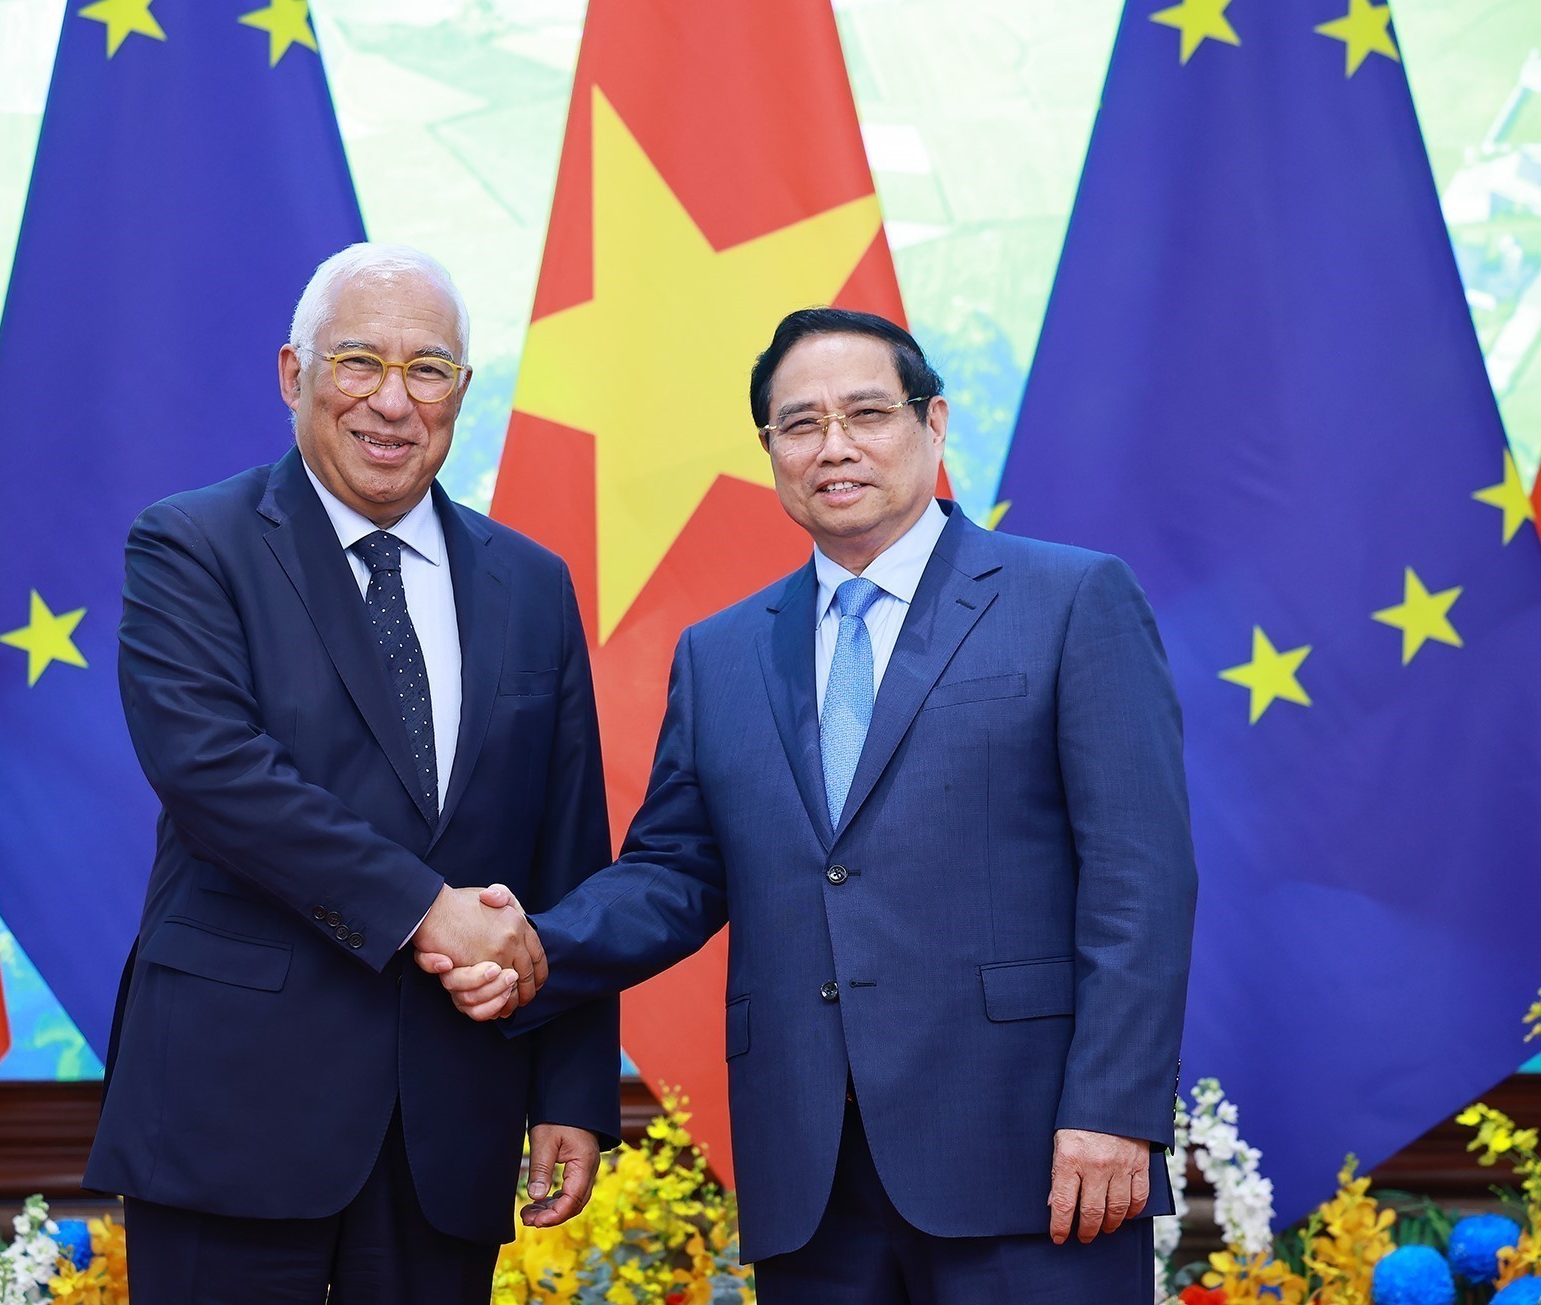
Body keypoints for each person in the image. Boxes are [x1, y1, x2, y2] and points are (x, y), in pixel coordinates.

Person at [422, 307, 1198, 1303]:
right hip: (810, 1182)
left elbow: (1141, 877)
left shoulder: (1071, 600)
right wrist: (531, 945)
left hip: (1031, 1160)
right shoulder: (723, 652)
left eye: (866, 413)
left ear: (934, 423)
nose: (833, 446)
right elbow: (675, 874)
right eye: (799, 424)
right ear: (769, 451)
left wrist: (1114, 1108)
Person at [84, 243, 619, 1305]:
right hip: (230, 1109)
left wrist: (571, 1086)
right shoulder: (192, 546)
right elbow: (218, 779)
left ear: (461, 393)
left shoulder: (531, 583)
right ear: (295, 374)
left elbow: (567, 846)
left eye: (428, 370)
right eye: (358, 362)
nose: (392, 400)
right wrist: (431, 913)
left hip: (451, 1121)